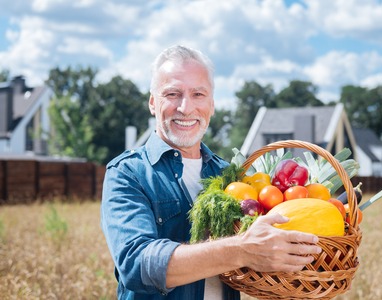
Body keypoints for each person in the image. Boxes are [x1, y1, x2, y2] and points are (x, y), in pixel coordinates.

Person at [101, 45, 322, 300]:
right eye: (172, 94)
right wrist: (242, 249)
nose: (186, 108)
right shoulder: (128, 173)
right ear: (153, 103)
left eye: (198, 94)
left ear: (212, 104)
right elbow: (137, 265)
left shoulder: (230, 175)